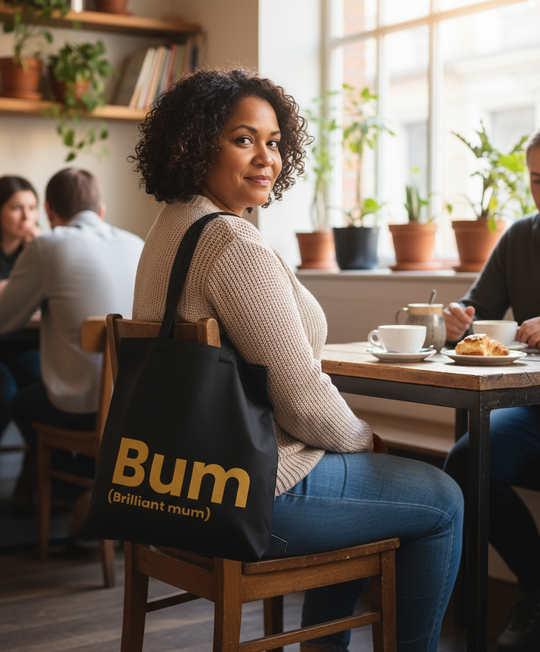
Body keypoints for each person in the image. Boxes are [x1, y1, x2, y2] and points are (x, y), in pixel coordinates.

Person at [130, 68, 464, 652]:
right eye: (243, 139)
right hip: (247, 492)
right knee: (442, 498)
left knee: (373, 489)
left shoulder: (169, 227)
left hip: (172, 486)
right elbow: (303, 397)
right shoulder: (232, 242)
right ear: (197, 141)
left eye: (275, 141)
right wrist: (366, 440)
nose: (267, 158)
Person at [443, 128, 540, 652]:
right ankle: (537, 588)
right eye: (537, 180)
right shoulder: (521, 236)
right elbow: (478, 308)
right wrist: (459, 319)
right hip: (531, 407)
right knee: (467, 462)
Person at [0, 168, 144, 517]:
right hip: (137, 403)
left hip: (83, 408)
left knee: (22, 404)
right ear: (102, 210)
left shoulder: (46, 246)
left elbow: (5, 321)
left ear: (48, 211)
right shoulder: (138, 244)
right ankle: (91, 489)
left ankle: (76, 490)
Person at [0, 177, 42, 450]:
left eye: (33, 207)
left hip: (26, 343)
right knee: (5, 393)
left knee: (43, 383)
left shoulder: (39, 248)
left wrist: (44, 248)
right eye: (17, 207)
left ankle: (35, 469)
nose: (27, 216)